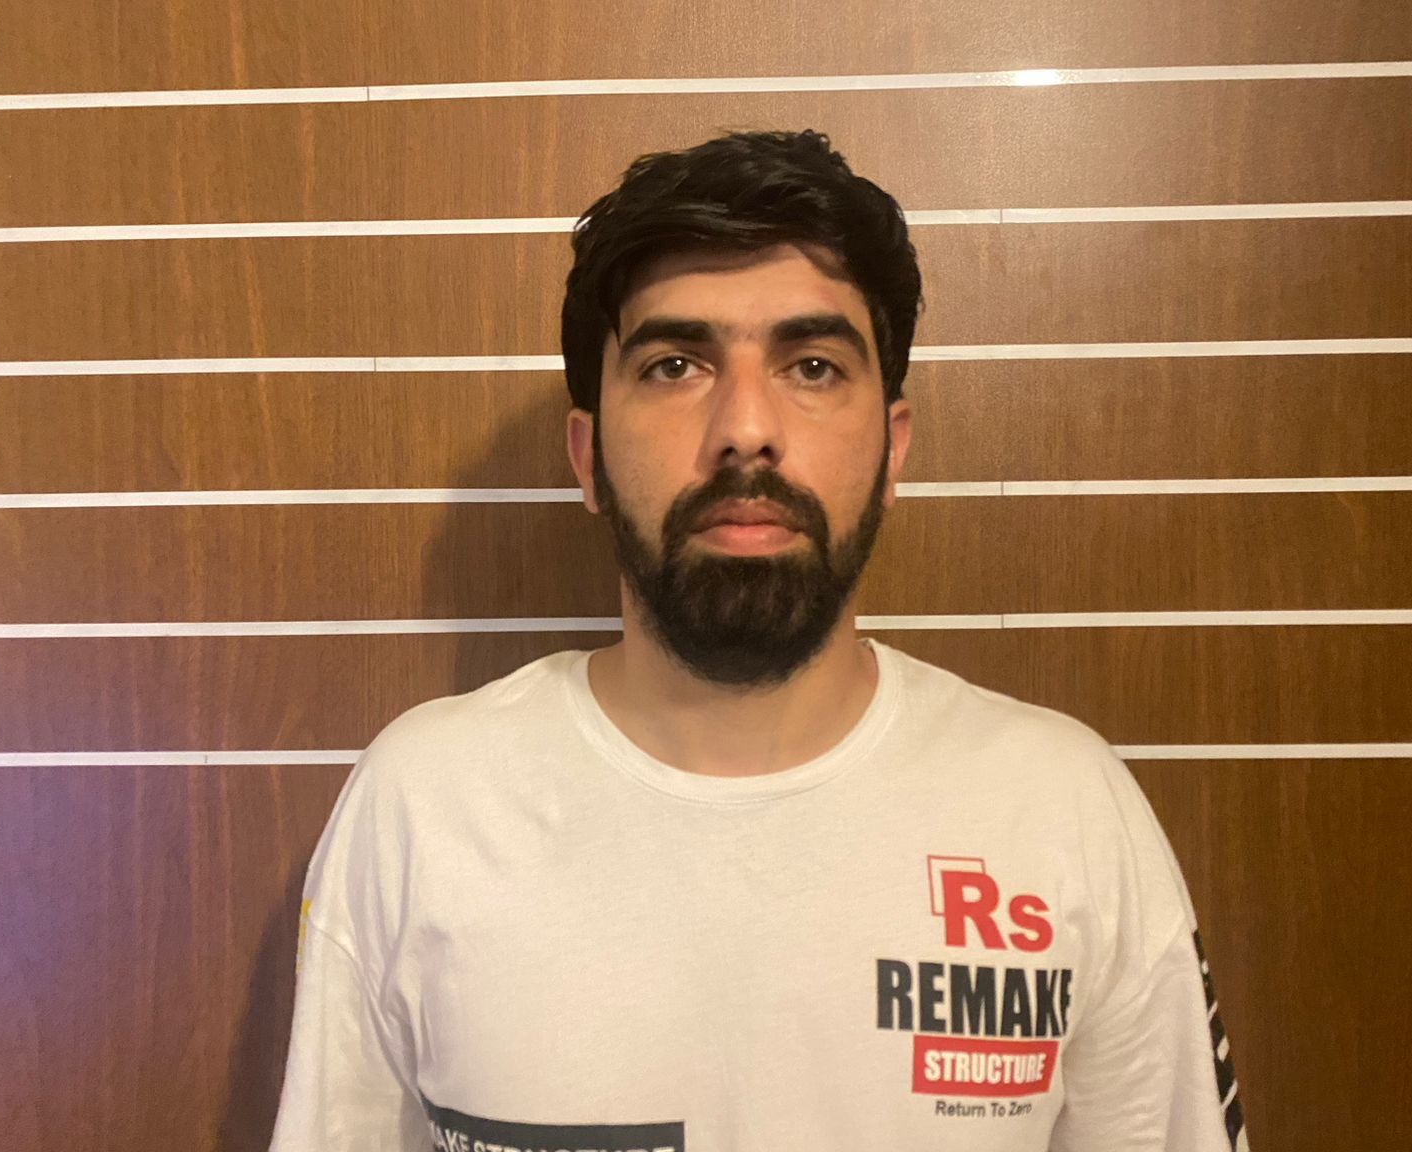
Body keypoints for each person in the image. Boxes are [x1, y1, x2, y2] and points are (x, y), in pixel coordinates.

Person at [267, 129, 1249, 1151]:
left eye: (812, 366)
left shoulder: (1064, 812)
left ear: (892, 449)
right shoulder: (423, 805)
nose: (745, 427)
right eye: (674, 365)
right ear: (587, 457)